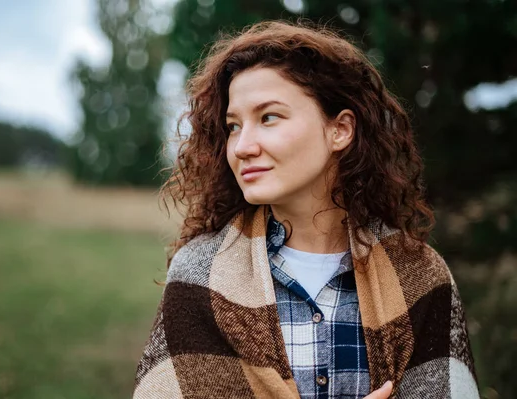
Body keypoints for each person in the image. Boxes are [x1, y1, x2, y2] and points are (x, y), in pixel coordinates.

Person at [133, 20, 478, 399]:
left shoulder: (420, 277)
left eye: (268, 118)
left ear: (340, 130)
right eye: (233, 126)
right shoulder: (199, 276)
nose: (242, 146)